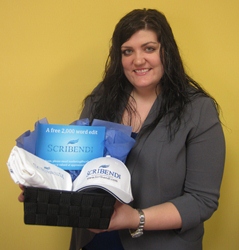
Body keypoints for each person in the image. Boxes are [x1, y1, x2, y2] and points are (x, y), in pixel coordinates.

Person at [19, 8, 225, 250]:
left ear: (166, 51)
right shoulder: (101, 98)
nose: (138, 60)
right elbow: (76, 170)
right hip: (94, 239)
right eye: (128, 51)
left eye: (149, 48)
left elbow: (201, 201)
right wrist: (43, 184)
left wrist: (134, 218)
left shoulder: (198, 110)